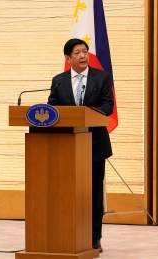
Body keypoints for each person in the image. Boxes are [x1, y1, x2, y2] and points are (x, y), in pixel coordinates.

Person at [47, 38, 114, 252]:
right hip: (67, 147)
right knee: (67, 193)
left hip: (95, 145)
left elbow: (108, 106)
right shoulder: (58, 80)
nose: (83, 56)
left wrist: (86, 115)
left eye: (85, 51)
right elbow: (52, 108)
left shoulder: (101, 77)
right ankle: (67, 235)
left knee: (93, 194)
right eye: (77, 53)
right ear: (68, 58)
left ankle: (94, 238)